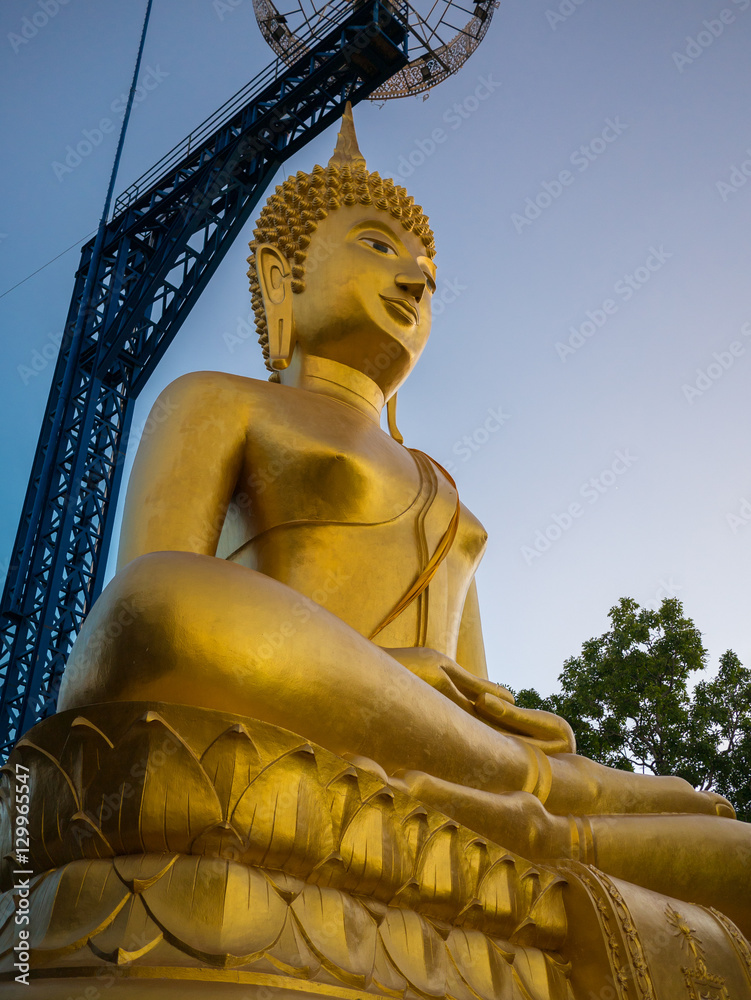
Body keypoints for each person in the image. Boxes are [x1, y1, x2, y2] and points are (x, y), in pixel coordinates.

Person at [58, 106, 750, 935]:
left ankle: (542, 821)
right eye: (378, 247)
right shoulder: (217, 403)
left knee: (730, 846)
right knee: (160, 602)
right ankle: (549, 812)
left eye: (426, 272)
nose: (415, 281)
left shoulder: (448, 498)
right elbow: (147, 629)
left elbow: (481, 703)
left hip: (444, 761)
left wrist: (472, 729)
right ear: (285, 276)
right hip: (281, 719)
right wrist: (386, 676)